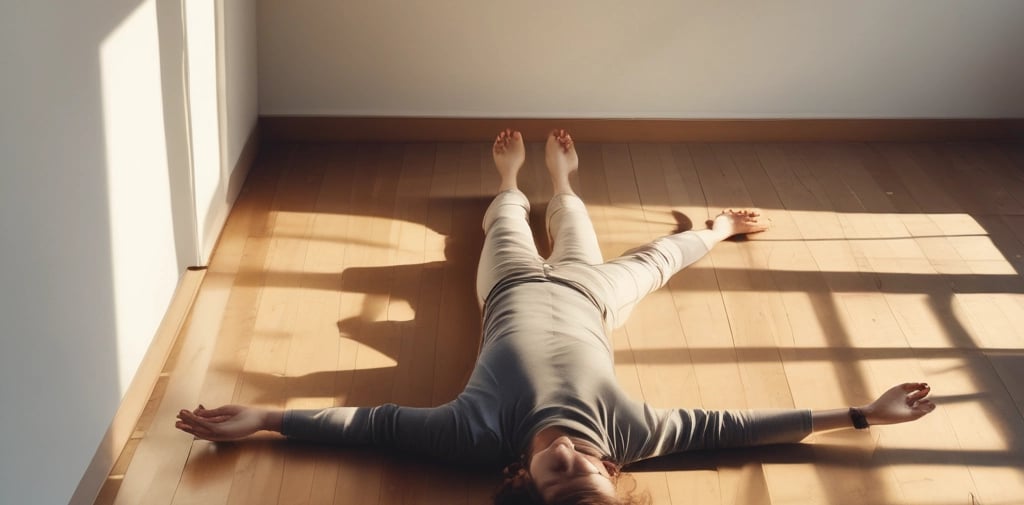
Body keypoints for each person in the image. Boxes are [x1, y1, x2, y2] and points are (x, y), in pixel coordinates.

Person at [176, 129, 936, 505]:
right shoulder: (633, 435)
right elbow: (741, 426)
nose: (575, 454)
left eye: (556, 469)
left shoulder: (476, 436)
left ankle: (509, 177)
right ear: (614, 472)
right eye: (592, 471)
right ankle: (600, 190)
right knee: (621, 237)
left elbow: (368, 425)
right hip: (593, 293)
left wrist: (271, 416)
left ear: (521, 473)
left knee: (504, 216)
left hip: (506, 289)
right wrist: (864, 414)